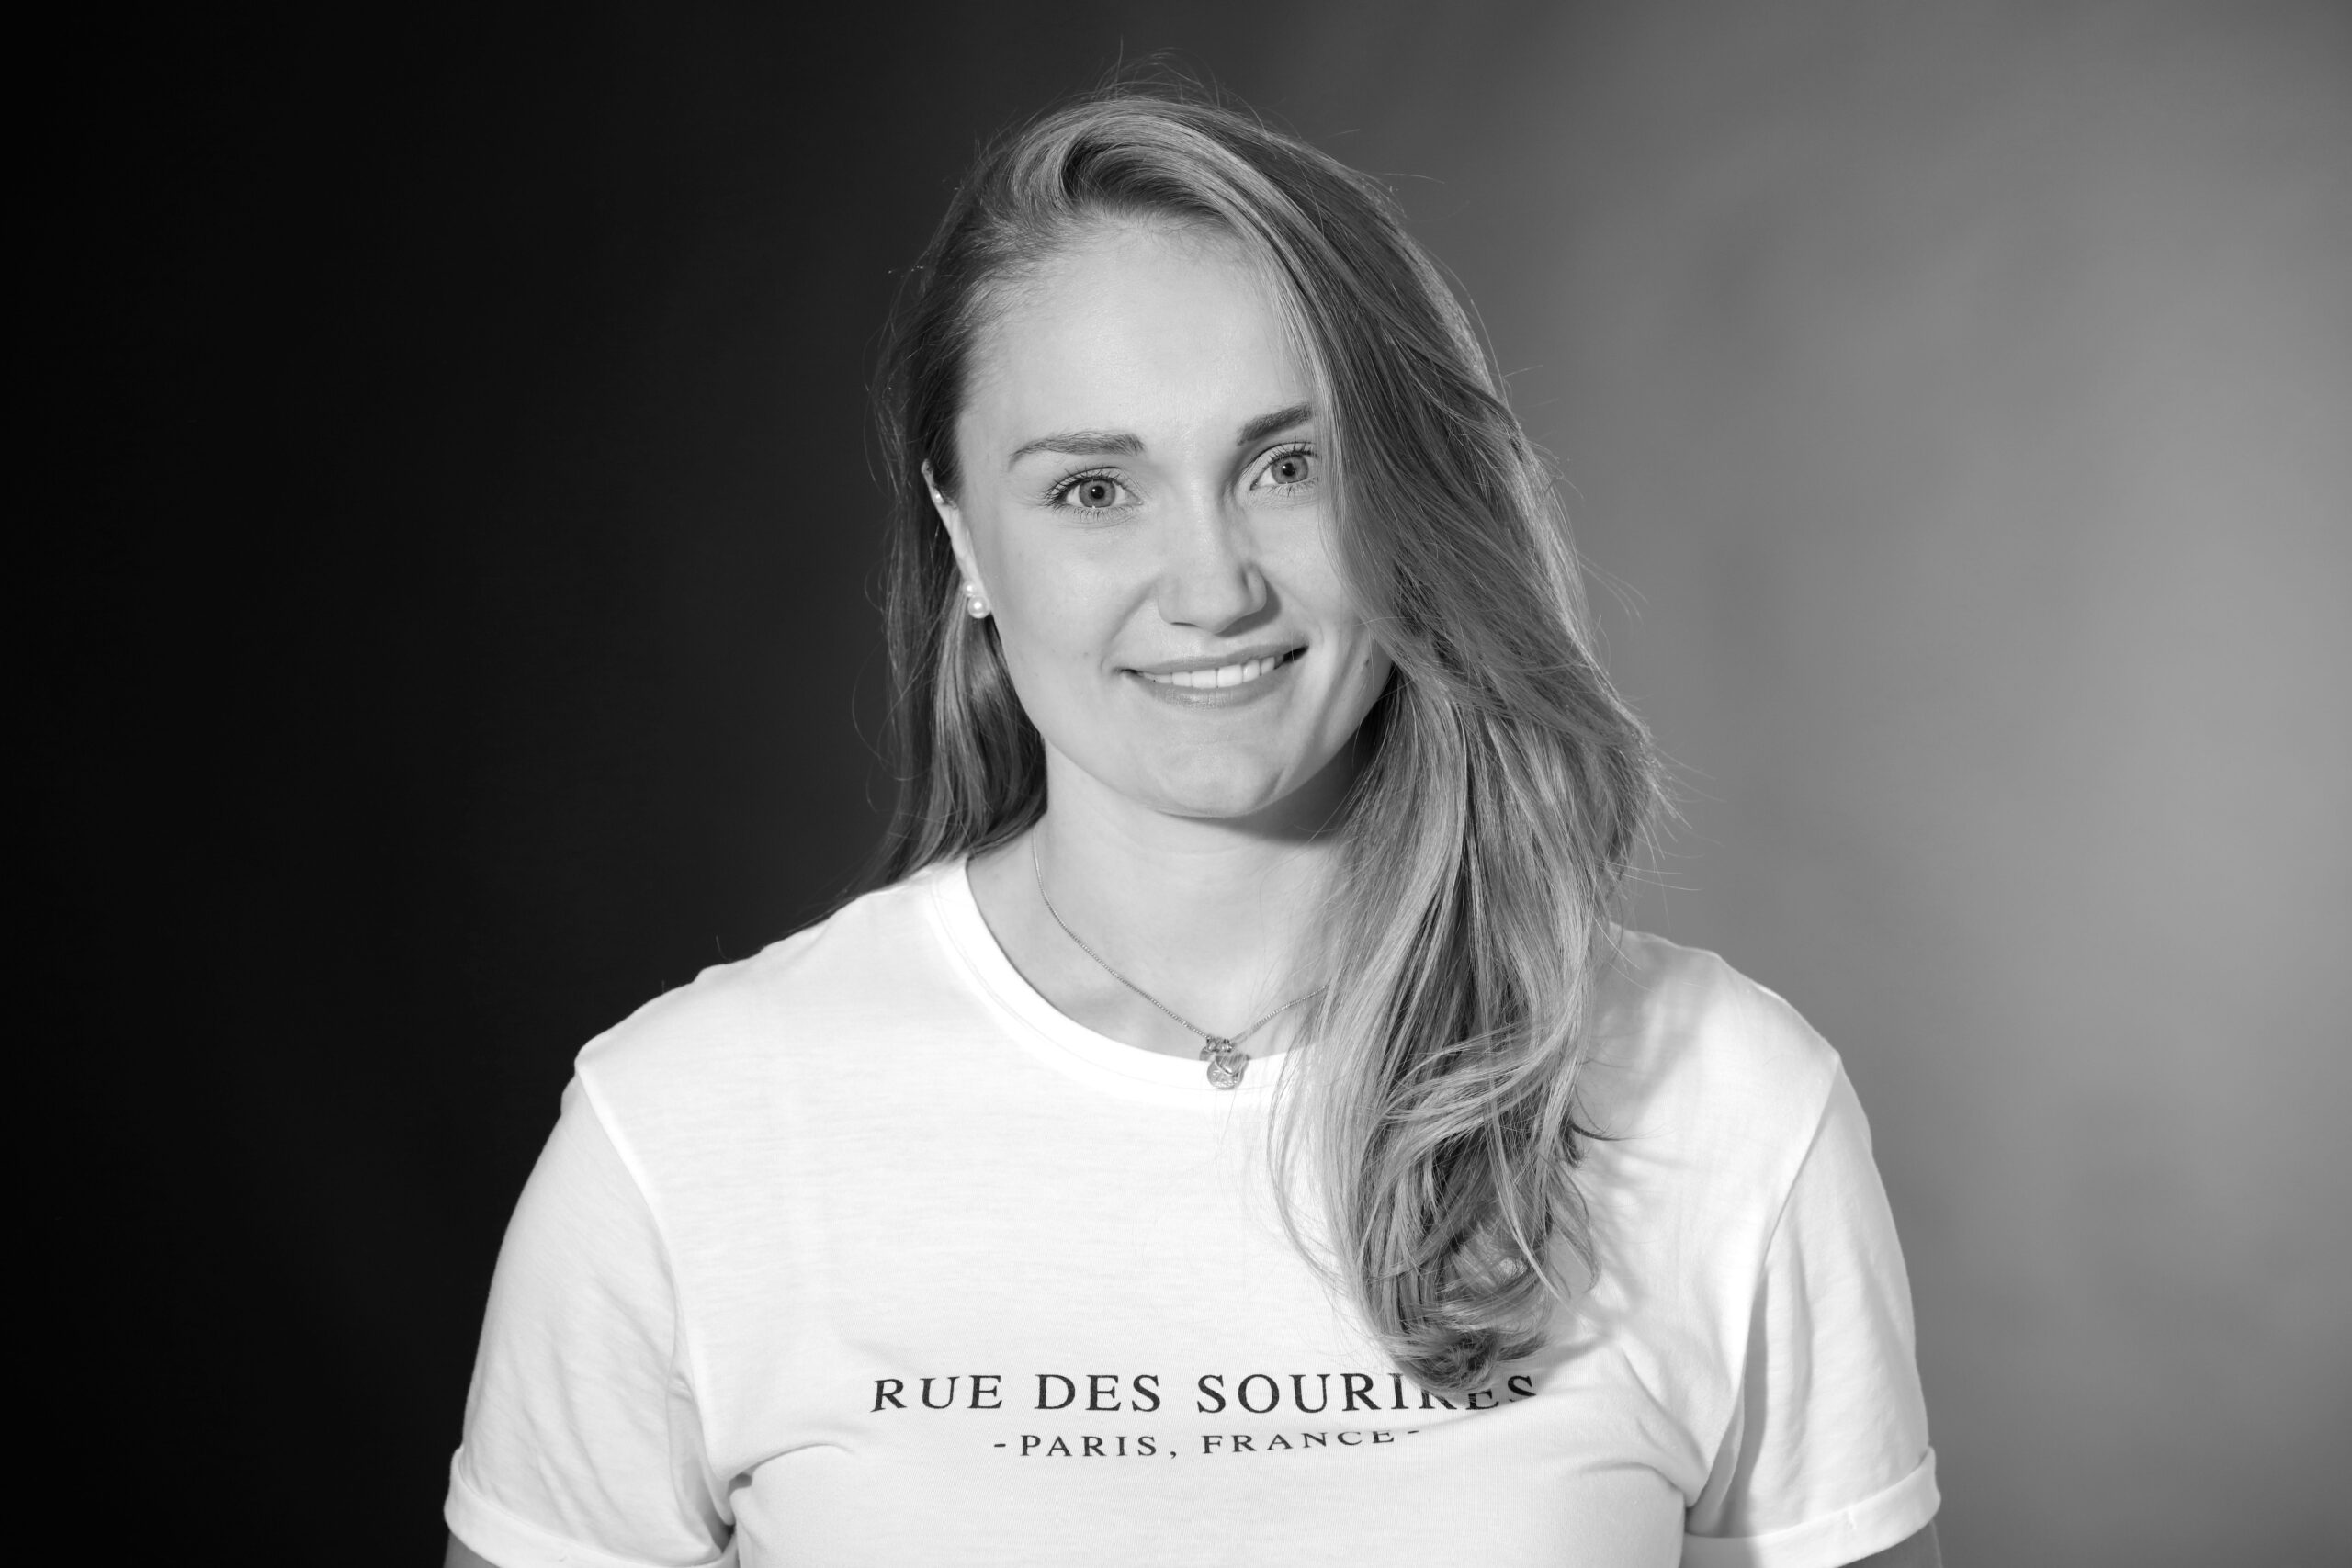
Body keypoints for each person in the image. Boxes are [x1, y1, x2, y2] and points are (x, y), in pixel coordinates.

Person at [443, 82, 1940, 1567]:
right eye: (1096, 488)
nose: (1213, 586)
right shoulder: (685, 1131)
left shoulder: (1723, 1104)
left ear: (1415, 494)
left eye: (1290, 466)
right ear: (963, 536)